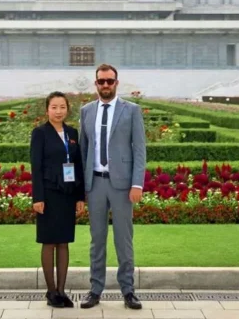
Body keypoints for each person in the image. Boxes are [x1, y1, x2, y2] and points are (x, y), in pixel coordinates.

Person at [78, 64, 146, 310]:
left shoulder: (132, 110)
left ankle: (128, 291)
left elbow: (139, 149)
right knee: (97, 240)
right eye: (101, 81)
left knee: (123, 240)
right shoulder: (86, 111)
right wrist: (81, 188)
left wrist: (137, 183)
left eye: (109, 81)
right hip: (95, 184)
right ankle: (95, 289)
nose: (105, 85)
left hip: (122, 186)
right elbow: (83, 151)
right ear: (95, 83)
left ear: (117, 82)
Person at [30, 91, 86, 308]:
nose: (58, 111)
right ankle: (51, 291)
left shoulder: (72, 133)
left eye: (62, 107)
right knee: (49, 241)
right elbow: (36, 167)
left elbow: (78, 165)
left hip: (68, 194)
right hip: (48, 194)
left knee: (63, 241)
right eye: (54, 107)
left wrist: (80, 196)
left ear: (67, 109)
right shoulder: (40, 133)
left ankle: (62, 291)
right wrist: (38, 197)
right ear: (47, 110)